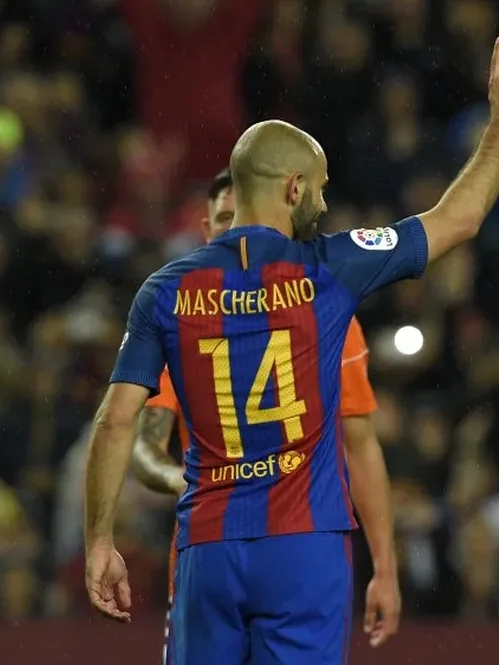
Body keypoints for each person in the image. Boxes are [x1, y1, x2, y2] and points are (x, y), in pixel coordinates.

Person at [83, 36, 499, 665]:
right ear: (294, 188)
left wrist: (99, 540)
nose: (324, 203)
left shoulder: (165, 289)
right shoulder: (330, 269)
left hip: (208, 545)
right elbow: (457, 219)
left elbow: (115, 421)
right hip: (304, 544)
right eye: (319, 188)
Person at [128, 169, 400, 663]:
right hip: (215, 558)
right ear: (207, 231)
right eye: (225, 220)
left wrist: (384, 566)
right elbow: (144, 444)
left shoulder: (330, 313)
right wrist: (180, 479)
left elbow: (360, 445)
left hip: (271, 553)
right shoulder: (183, 317)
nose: (239, 231)